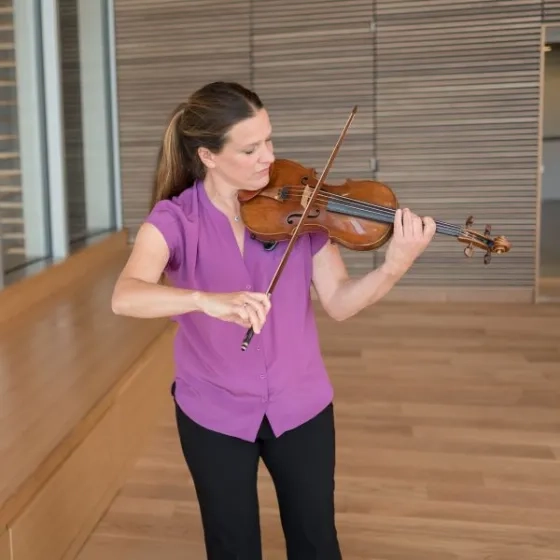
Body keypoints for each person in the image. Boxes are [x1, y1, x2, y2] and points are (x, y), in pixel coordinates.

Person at [111, 81, 436, 559]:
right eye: (250, 148)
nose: (268, 157)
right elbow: (125, 296)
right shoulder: (175, 220)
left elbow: (341, 303)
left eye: (269, 140)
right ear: (208, 156)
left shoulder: (301, 209)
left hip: (300, 404)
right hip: (213, 412)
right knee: (232, 547)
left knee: (316, 544)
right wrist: (203, 300)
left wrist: (394, 267)